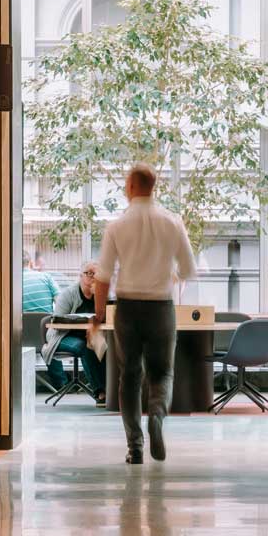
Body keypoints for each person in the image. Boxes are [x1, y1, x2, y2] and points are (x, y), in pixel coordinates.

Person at [91, 163, 197, 464]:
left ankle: (135, 447)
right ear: (153, 186)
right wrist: (166, 275)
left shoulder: (117, 226)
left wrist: (99, 315)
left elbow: (103, 277)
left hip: (128, 308)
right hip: (161, 307)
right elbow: (189, 269)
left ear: (132, 187)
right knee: (162, 372)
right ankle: (157, 418)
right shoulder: (172, 222)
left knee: (130, 376)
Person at [41, 260, 106, 405]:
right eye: (89, 273)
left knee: (106, 348)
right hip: (63, 335)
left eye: (96, 274)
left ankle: (111, 390)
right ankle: (100, 392)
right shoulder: (68, 294)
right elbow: (57, 323)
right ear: (80, 276)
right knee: (86, 347)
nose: (93, 277)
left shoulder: (101, 296)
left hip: (91, 335)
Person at [21, 249, 60, 314]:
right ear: (31, 263)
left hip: (20, 323)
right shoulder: (46, 277)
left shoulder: (12, 282)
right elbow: (60, 302)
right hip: (46, 322)